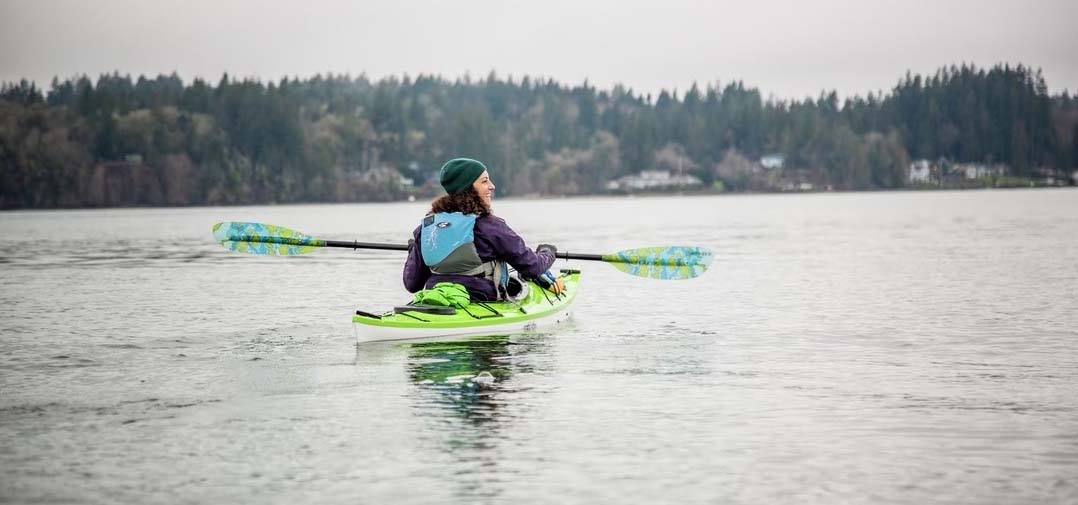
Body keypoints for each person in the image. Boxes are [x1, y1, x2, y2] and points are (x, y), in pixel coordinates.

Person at [403, 158, 564, 301]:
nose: (492, 186)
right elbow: (533, 268)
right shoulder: (490, 226)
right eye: (484, 181)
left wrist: (413, 252)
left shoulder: (425, 230)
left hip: (437, 298)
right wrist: (548, 252)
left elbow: (412, 284)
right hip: (483, 300)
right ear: (468, 188)